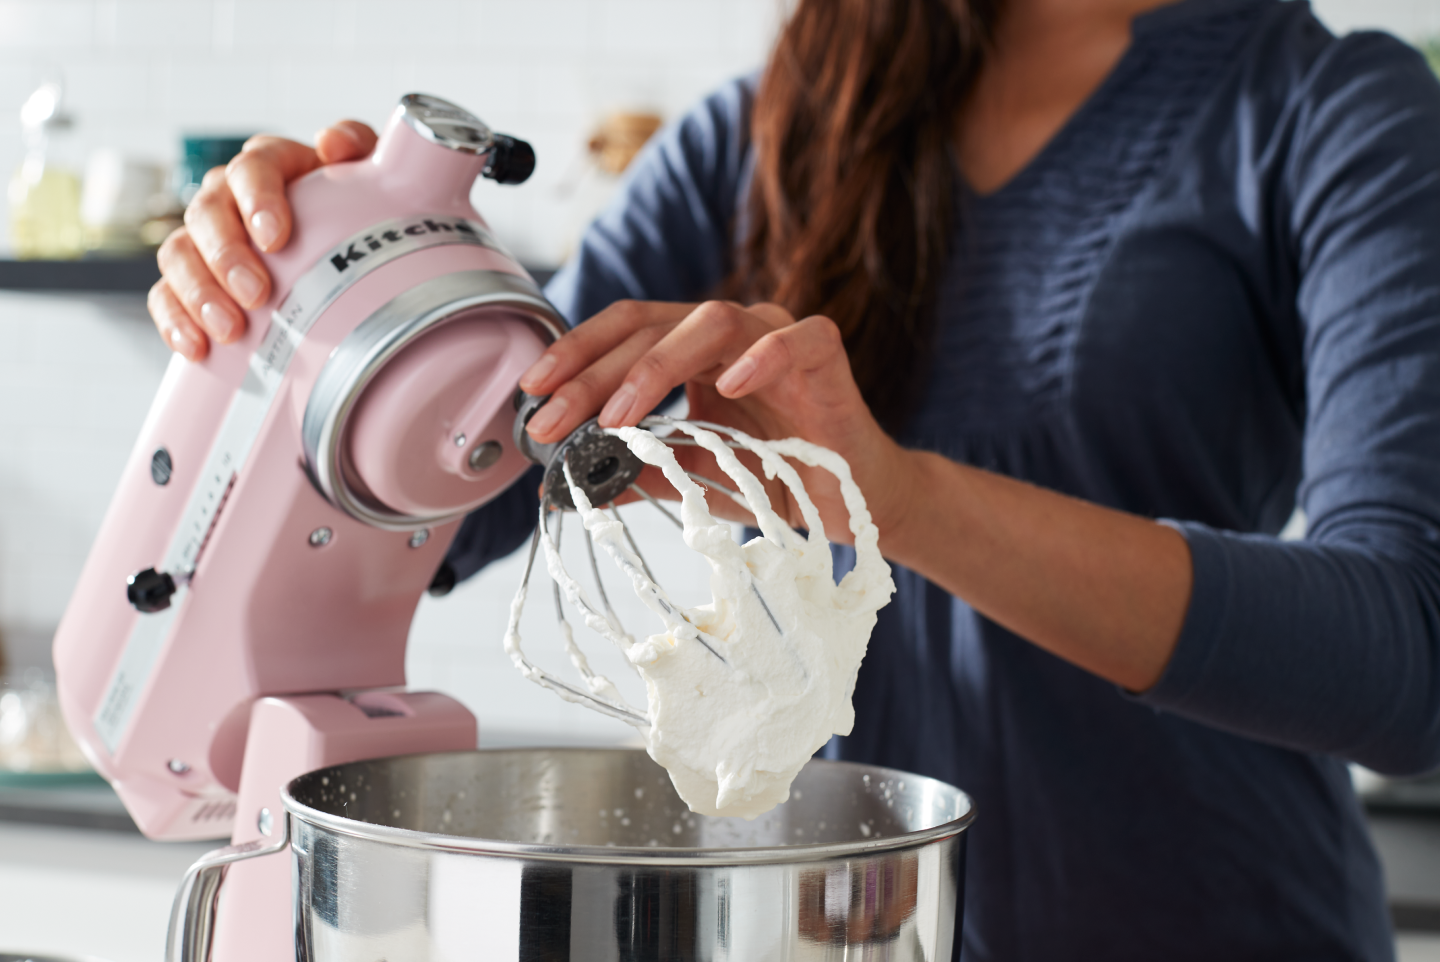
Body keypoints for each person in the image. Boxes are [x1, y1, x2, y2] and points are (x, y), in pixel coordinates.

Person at [147, 0, 1440, 956]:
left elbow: (1407, 652)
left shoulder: (1333, 112)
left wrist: (890, 493)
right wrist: (298, 302)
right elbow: (475, 483)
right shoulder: (769, 133)